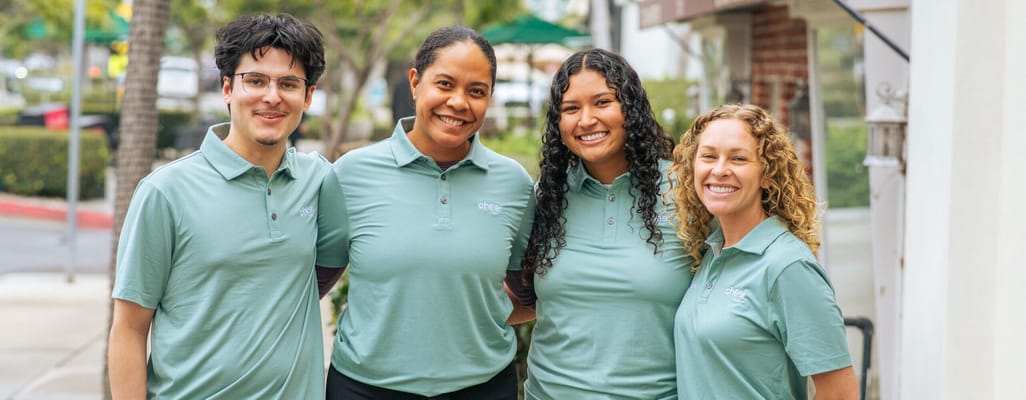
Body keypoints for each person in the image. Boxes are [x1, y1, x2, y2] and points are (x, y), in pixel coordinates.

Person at [107, 14, 328, 399]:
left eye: (288, 84)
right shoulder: (165, 191)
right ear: (227, 88)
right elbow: (129, 328)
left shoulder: (320, 181)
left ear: (307, 97)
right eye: (255, 80)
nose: (272, 97)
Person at [315, 26, 535, 400]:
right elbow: (309, 288)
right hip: (364, 389)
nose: (459, 102)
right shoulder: (351, 174)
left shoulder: (513, 183)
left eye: (476, 91)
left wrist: (475, 315)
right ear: (415, 82)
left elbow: (531, 294)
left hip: (483, 388)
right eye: (445, 84)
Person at [510, 48, 693, 399]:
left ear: (631, 109)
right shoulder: (545, 199)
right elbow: (519, 300)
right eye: (571, 108)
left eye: (602, 102)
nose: (586, 119)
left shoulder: (685, 192)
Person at [667, 103, 858, 399]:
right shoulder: (711, 252)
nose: (719, 170)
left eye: (738, 158)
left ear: (767, 175)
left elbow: (840, 392)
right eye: (708, 156)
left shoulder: (787, 266)